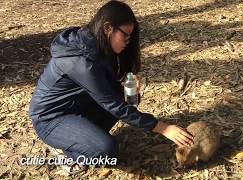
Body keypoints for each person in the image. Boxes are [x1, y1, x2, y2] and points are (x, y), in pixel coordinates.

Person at [29, 0, 194, 174]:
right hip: (50, 118)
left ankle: (83, 136)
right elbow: (114, 106)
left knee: (118, 95)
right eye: (126, 35)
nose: (128, 42)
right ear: (108, 28)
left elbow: (119, 101)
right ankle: (67, 151)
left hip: (77, 107)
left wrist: (131, 93)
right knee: (107, 152)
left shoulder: (98, 46)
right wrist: (163, 128)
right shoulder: (81, 61)